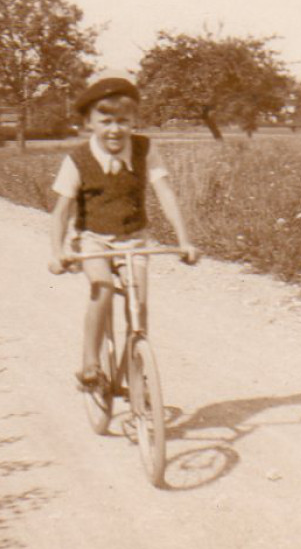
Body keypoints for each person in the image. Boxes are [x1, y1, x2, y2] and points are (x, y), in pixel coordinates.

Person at [48, 72, 198, 391]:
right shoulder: (77, 159)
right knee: (101, 289)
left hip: (133, 238)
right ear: (89, 123)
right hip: (93, 239)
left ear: (133, 121)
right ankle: (90, 364)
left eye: (123, 121)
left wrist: (184, 240)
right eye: (105, 121)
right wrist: (58, 252)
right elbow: (61, 211)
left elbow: (165, 194)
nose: (115, 129)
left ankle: (131, 369)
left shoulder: (145, 150)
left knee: (139, 308)